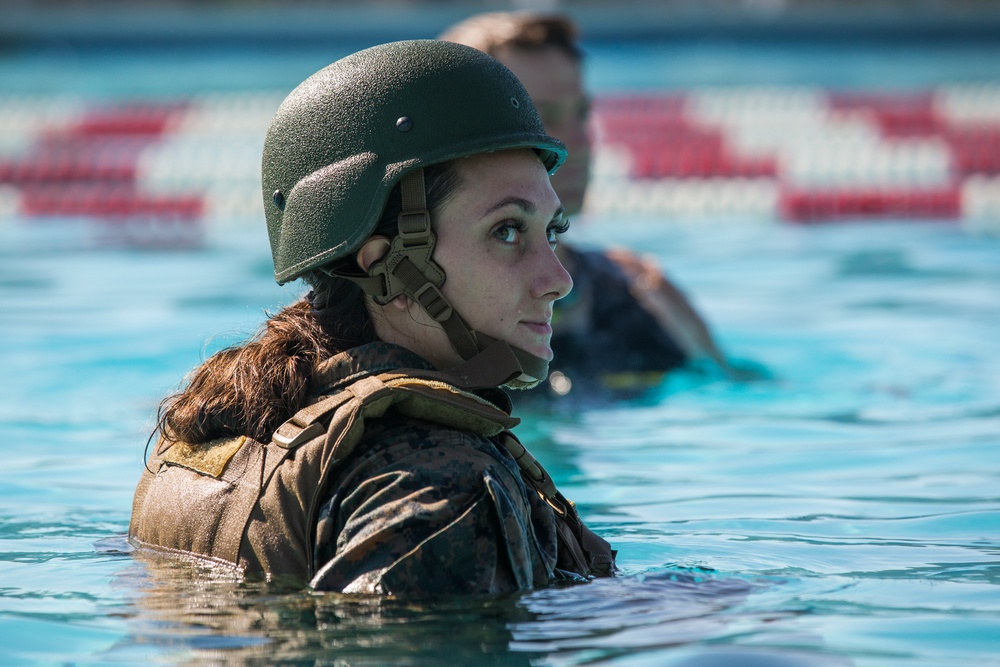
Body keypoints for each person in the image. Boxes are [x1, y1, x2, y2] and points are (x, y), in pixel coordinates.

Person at [128, 39, 616, 595]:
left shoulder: (222, 424)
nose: (559, 278)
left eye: (552, 232)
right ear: (391, 270)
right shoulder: (437, 492)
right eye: (507, 231)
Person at [440, 13, 742, 398]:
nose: (578, 140)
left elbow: (740, 396)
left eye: (581, 114)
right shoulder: (438, 322)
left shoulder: (642, 290)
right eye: (543, 117)